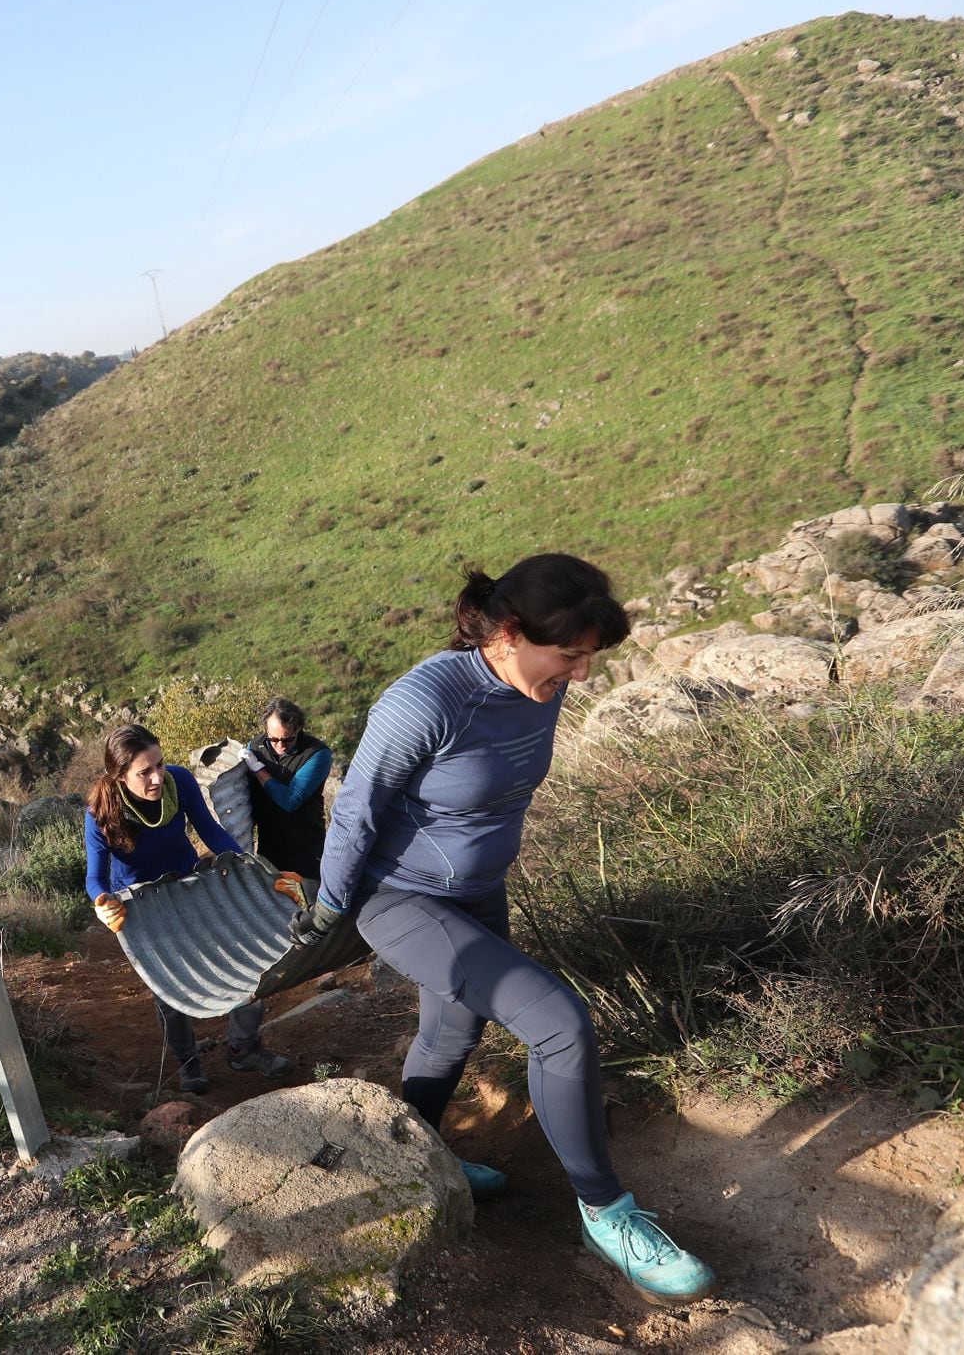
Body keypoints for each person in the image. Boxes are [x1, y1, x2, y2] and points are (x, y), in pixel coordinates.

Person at [290, 554, 716, 1306]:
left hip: (478, 893)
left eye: (590, 658)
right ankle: (606, 1214)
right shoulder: (425, 701)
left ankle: (417, 1169)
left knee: (451, 1036)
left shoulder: (537, 684)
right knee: (559, 1024)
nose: (581, 676)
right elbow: (357, 810)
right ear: (511, 632)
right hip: (400, 900)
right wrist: (329, 910)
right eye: (570, 656)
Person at [86, 724, 295, 1093]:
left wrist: (256, 870)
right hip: (144, 908)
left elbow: (212, 833)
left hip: (192, 889)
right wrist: (103, 904)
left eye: (159, 764)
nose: (156, 777)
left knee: (246, 961)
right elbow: (95, 878)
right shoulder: (102, 811)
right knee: (171, 988)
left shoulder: (178, 782)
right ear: (119, 775)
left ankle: (243, 1048)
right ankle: (188, 1062)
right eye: (144, 772)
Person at [239, 696, 335, 884]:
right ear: (266, 730)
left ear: (298, 729)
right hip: (270, 848)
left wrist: (258, 769)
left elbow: (290, 800)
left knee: (311, 905)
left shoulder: (317, 754)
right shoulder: (255, 748)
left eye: (288, 739)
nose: (280, 746)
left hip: (306, 849)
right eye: (274, 739)